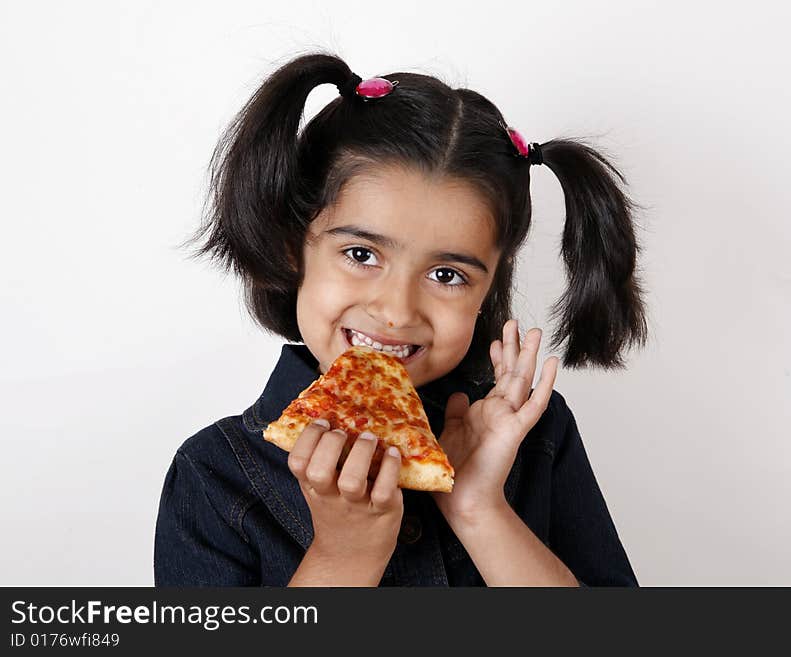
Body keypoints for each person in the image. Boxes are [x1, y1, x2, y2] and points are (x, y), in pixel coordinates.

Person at [153, 51, 648, 586]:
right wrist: (346, 555)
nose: (395, 310)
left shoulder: (537, 434)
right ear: (294, 247)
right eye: (362, 255)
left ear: (490, 287)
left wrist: (481, 509)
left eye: (447, 275)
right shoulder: (214, 477)